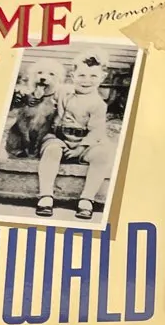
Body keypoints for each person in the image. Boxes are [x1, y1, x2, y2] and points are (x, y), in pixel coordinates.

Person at [35, 48, 116, 221]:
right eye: (82, 75)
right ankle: (46, 195)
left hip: (84, 143)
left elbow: (96, 131)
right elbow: (45, 92)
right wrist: (34, 95)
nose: (87, 80)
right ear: (73, 76)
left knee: (102, 155)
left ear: (102, 77)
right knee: (51, 150)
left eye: (93, 76)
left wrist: (80, 149)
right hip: (59, 138)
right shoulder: (63, 92)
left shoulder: (98, 104)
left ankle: (87, 198)